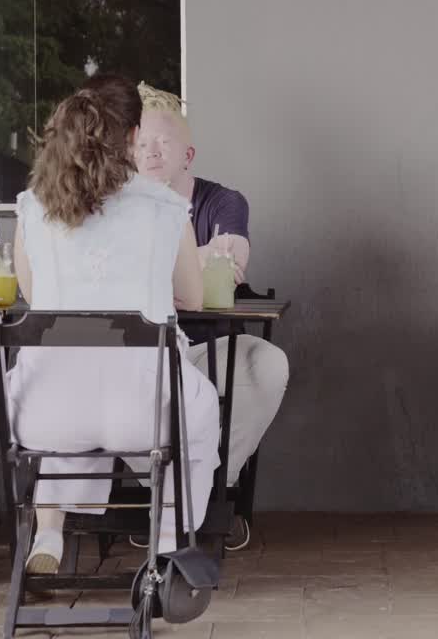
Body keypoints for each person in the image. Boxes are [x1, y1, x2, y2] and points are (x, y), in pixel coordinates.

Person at [6, 84, 221, 573]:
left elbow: (37, 299)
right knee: (200, 410)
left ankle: (49, 534)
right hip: (143, 411)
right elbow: (191, 296)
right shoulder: (164, 207)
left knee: (62, 380)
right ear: (129, 139)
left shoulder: (32, 207)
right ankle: (166, 543)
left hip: (46, 417)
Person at [131, 80, 289, 552]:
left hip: (209, 348)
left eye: (163, 142)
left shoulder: (221, 201)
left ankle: (213, 489)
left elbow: (235, 260)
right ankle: (166, 497)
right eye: (141, 144)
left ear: (188, 154)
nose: (152, 153)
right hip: (146, 352)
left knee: (270, 365)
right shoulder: (122, 207)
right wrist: (196, 265)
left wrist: (162, 271)